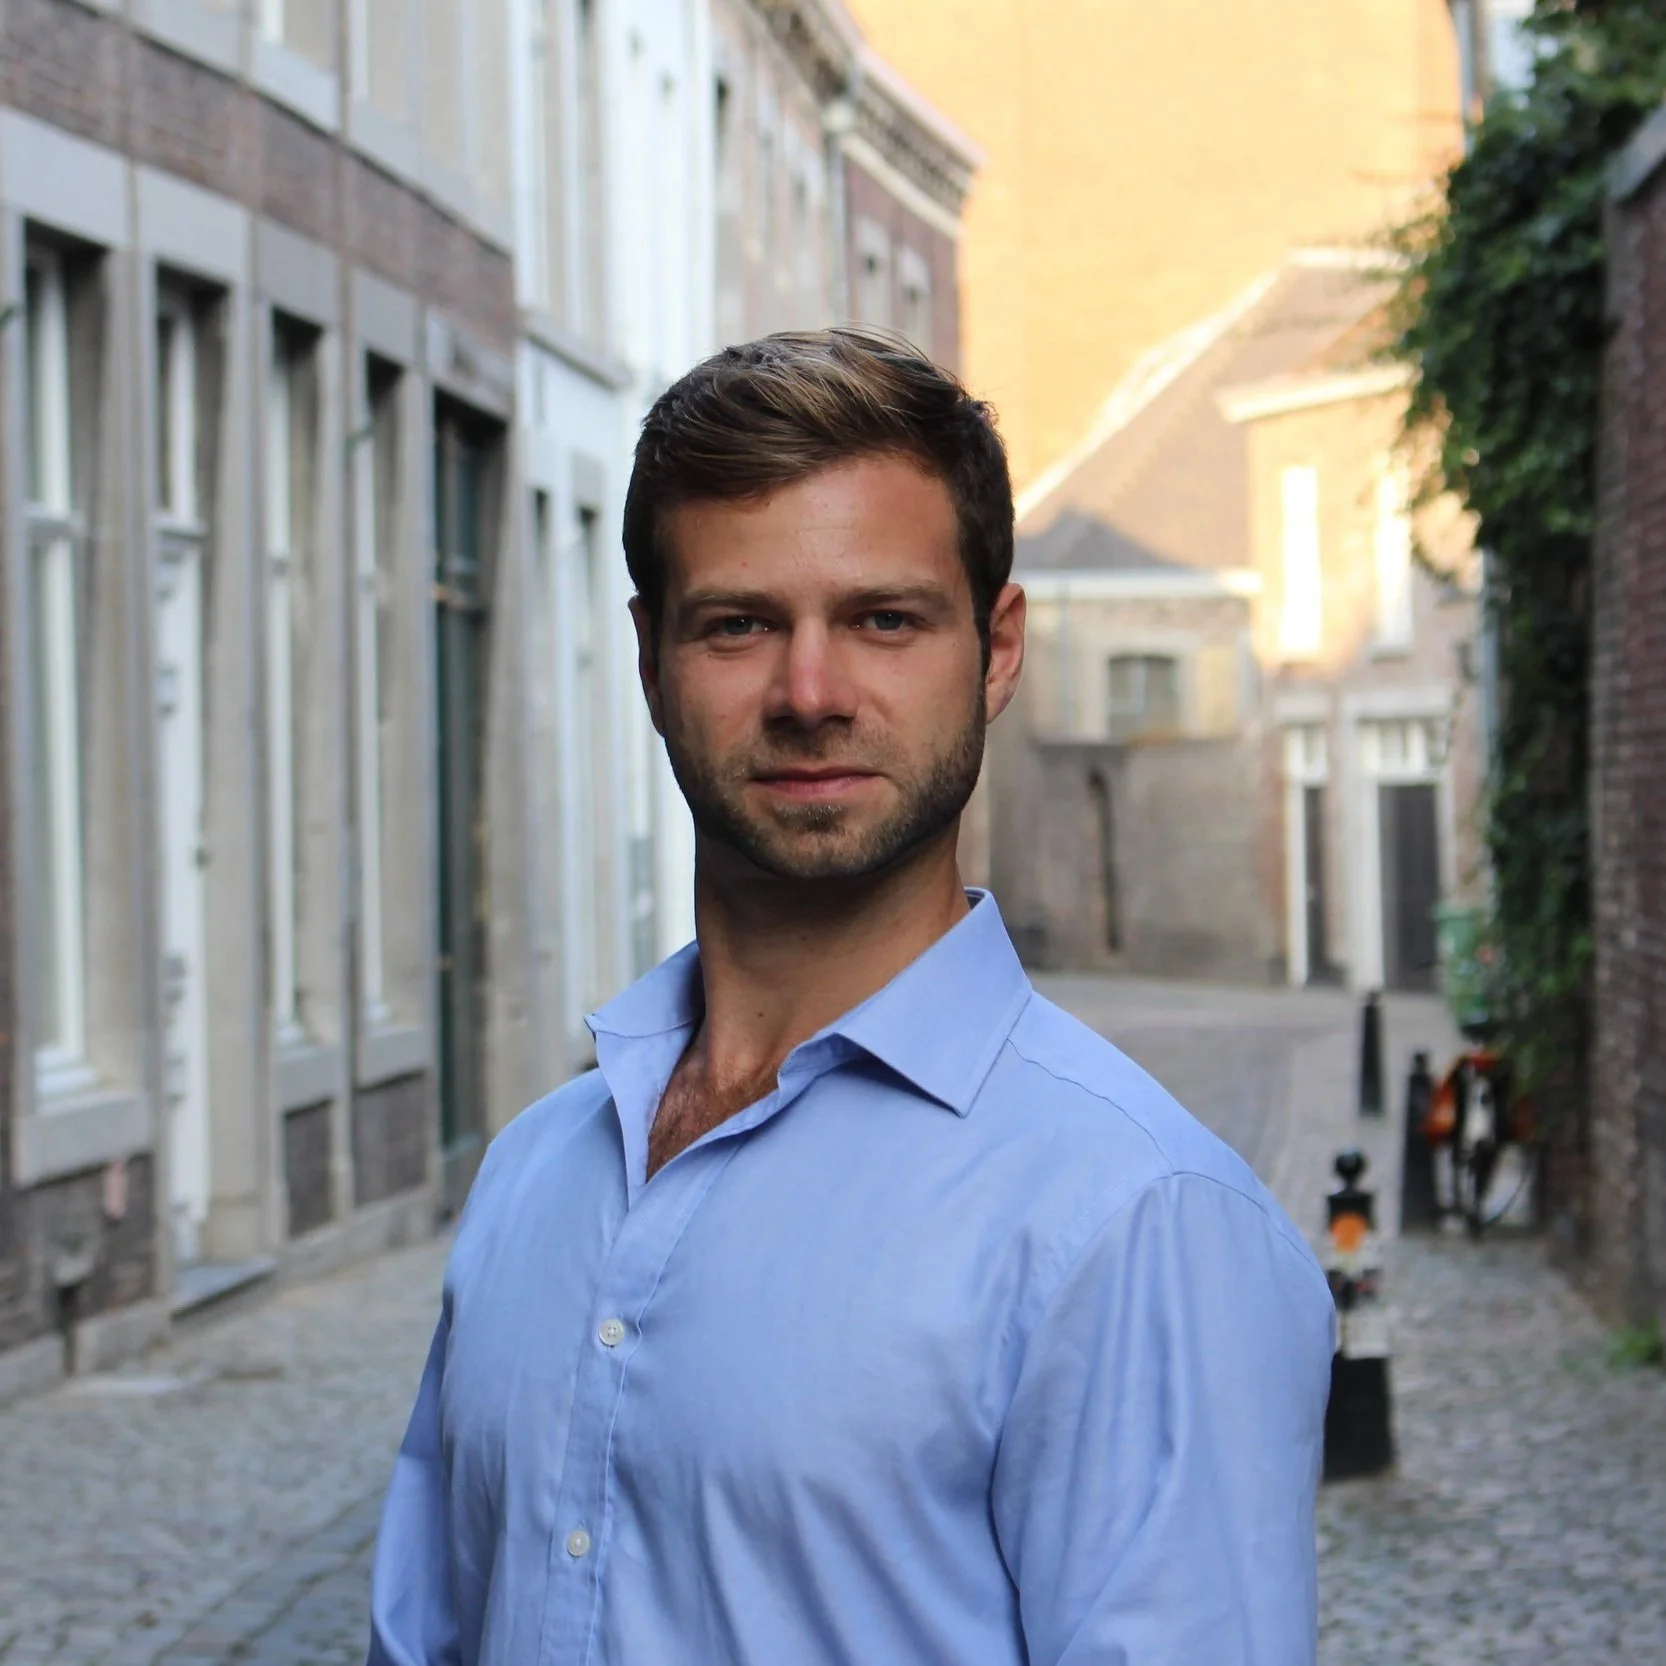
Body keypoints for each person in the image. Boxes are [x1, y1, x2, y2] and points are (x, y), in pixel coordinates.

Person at [366, 327, 1334, 1666]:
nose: (808, 695)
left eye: (884, 620)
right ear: (651, 660)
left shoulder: (1132, 1221)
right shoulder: (536, 1174)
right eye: (739, 624)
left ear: (996, 649)